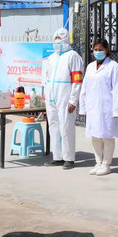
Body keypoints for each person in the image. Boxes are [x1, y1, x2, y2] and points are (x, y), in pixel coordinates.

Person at [79, 39, 118, 176]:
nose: (97, 52)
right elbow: (84, 87)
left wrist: (117, 110)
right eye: (95, 49)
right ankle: (98, 162)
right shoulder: (90, 67)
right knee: (95, 136)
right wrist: (83, 107)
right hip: (93, 107)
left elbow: (117, 90)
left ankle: (106, 164)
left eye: (100, 49)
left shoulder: (113, 66)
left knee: (107, 137)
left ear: (107, 50)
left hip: (107, 107)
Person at [42, 28, 84, 169]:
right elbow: (47, 77)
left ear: (65, 39)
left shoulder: (73, 56)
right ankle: (57, 156)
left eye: (59, 39)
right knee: (53, 126)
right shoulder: (52, 57)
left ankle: (69, 158)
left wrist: (73, 100)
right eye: (55, 39)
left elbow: (77, 80)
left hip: (65, 96)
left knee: (66, 126)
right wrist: (46, 95)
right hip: (51, 97)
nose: (57, 42)